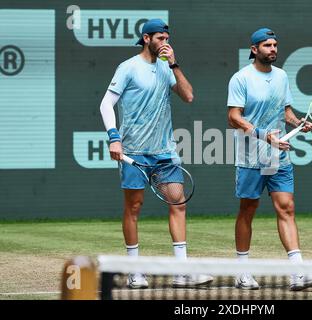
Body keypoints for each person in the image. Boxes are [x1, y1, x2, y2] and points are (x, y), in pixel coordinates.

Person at [100, 18, 212, 289]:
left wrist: (173, 63)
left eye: (167, 38)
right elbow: (106, 104)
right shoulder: (128, 67)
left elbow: (188, 96)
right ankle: (134, 271)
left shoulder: (166, 68)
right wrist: (114, 138)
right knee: (134, 208)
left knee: (178, 203)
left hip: (165, 153)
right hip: (134, 152)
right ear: (146, 38)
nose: (165, 42)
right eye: (160, 38)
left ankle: (181, 271)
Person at [227, 28, 312, 291]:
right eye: (267, 45)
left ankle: (298, 273)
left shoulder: (282, 76)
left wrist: (299, 122)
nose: (273, 49)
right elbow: (234, 118)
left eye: (275, 45)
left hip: (278, 156)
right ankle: (242, 272)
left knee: (286, 207)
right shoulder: (241, 78)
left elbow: (285, 111)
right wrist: (265, 137)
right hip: (250, 156)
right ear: (254, 49)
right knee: (247, 210)